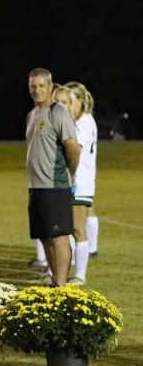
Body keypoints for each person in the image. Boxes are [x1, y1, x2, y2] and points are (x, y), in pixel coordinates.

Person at [25, 69, 81, 287]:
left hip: (54, 185)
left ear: (51, 87)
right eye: (33, 86)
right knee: (45, 236)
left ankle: (61, 285)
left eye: (41, 86)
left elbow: (73, 146)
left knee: (59, 237)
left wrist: (70, 171)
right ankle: (54, 281)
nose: (37, 90)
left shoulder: (57, 113)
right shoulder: (32, 115)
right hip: (36, 186)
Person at [65, 81, 98, 285]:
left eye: (69, 101)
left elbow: (74, 149)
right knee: (69, 228)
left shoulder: (84, 123)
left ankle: (79, 275)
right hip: (76, 180)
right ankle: (65, 270)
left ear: (80, 102)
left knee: (77, 228)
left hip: (79, 182)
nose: (66, 106)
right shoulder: (80, 121)